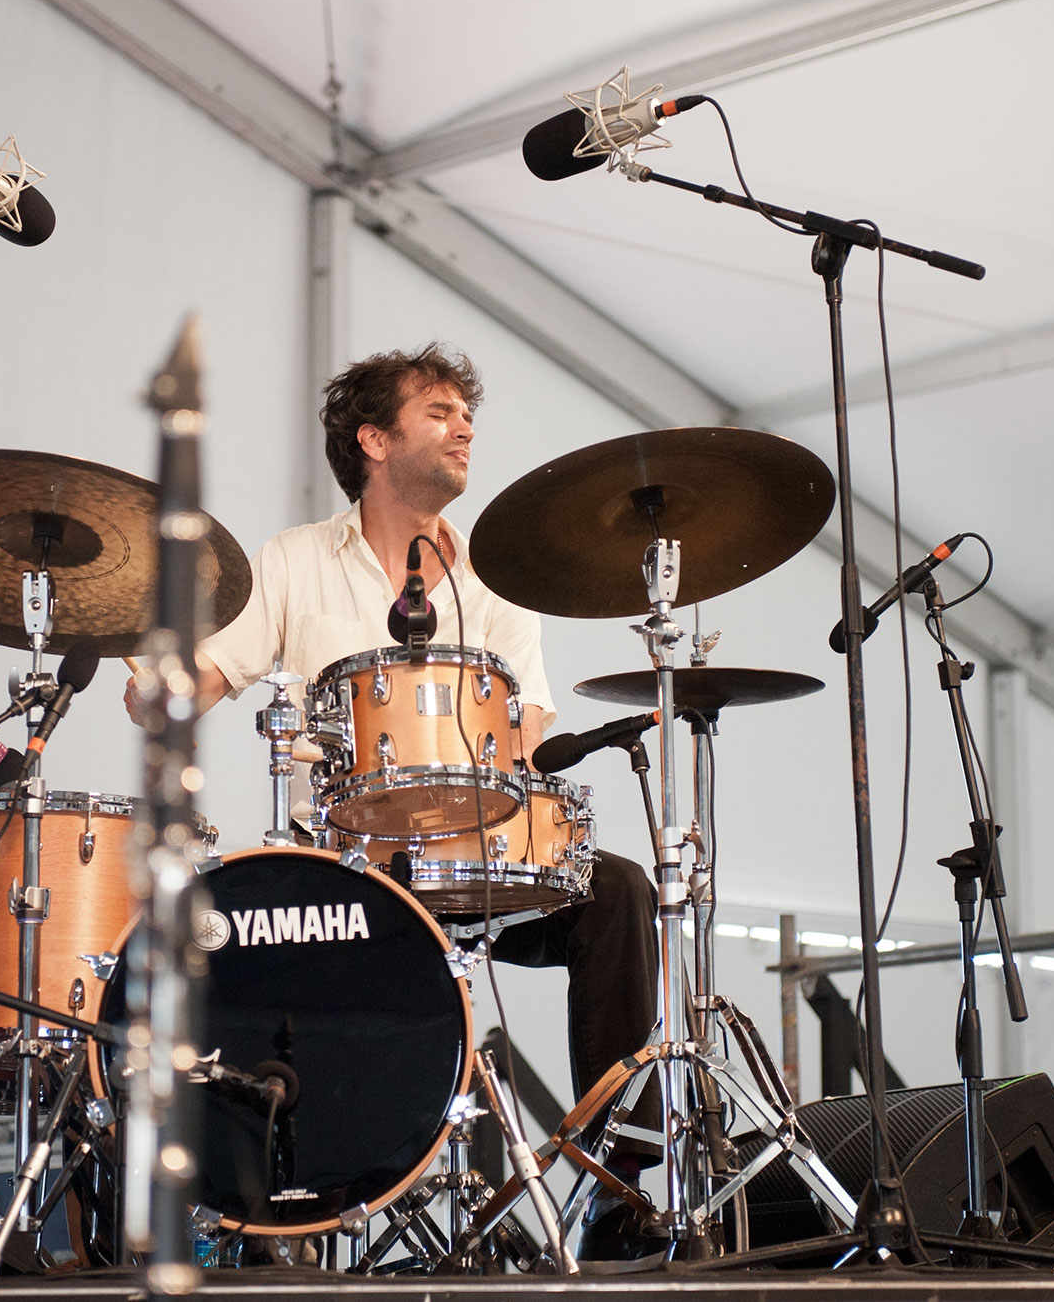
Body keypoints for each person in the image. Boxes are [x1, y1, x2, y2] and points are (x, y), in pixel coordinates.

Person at [125, 343, 661, 1254]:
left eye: (467, 414)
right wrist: (144, 669)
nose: (465, 428)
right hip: (343, 864)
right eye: (439, 412)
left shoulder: (497, 576)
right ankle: (270, 1208)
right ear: (373, 440)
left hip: (473, 858)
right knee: (237, 929)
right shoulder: (294, 559)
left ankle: (619, 1186)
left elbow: (526, 730)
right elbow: (197, 681)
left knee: (618, 890)